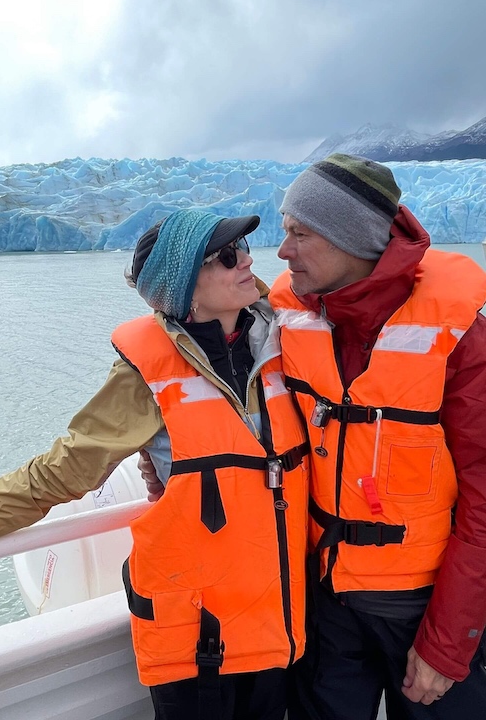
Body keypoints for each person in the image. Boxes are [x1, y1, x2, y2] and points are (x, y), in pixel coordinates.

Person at [0, 208, 310, 720]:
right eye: (226, 256)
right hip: (202, 645)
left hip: (281, 628)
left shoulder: (283, 340)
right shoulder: (144, 381)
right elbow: (59, 472)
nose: (247, 260)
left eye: (244, 248)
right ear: (185, 289)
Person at [140, 155, 486, 719]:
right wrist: (161, 454)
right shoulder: (286, 316)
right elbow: (207, 346)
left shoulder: (459, 338)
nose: (282, 251)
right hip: (322, 604)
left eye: (300, 233)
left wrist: (449, 642)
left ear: (352, 240)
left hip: (422, 609)